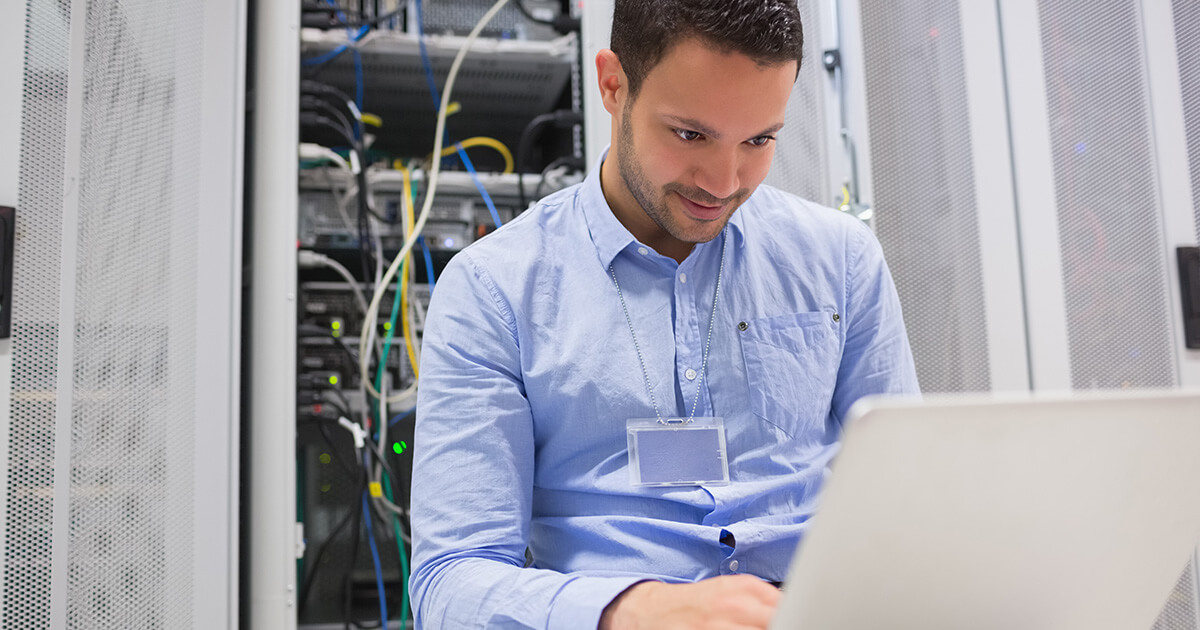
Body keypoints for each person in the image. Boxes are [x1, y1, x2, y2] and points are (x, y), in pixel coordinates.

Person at [409, 0, 919, 627]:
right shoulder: (495, 290)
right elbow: (449, 582)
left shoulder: (840, 259)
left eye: (759, 140)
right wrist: (635, 610)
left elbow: (909, 504)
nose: (724, 181)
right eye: (690, 135)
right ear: (613, 85)